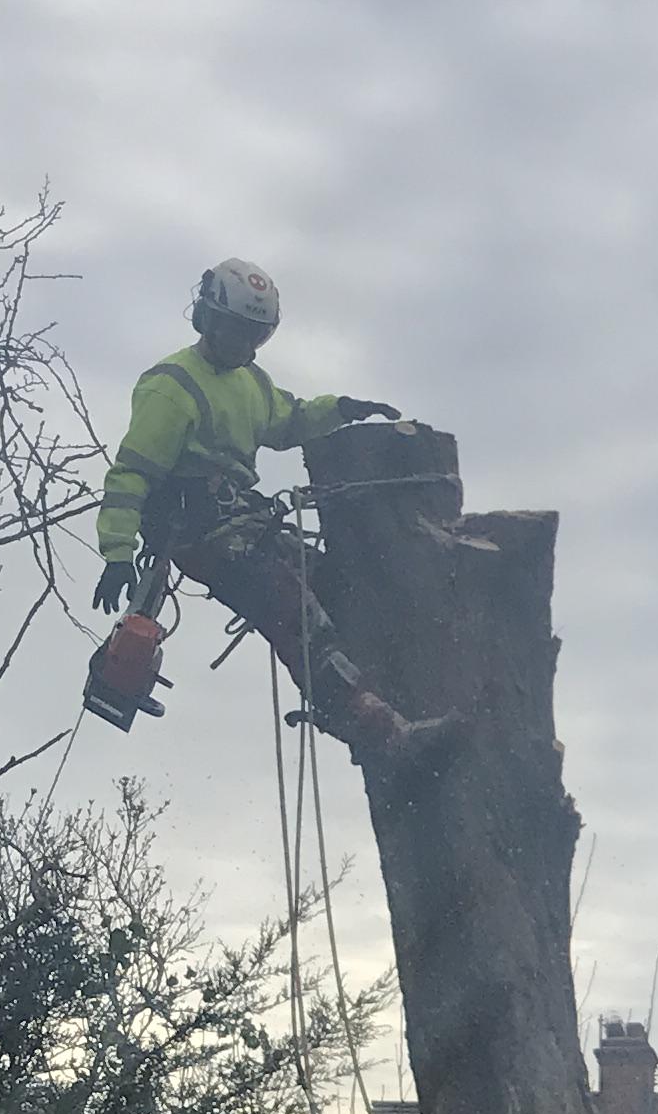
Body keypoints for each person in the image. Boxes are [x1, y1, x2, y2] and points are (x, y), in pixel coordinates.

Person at [92, 257, 450, 768]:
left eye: (252, 336)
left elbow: (289, 420)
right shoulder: (171, 386)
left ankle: (367, 697)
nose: (241, 345)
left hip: (244, 524)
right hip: (198, 531)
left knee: (338, 580)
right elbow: (131, 475)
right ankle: (380, 729)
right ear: (205, 318)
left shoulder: (251, 384)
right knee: (292, 609)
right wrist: (118, 552)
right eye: (234, 331)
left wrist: (341, 408)